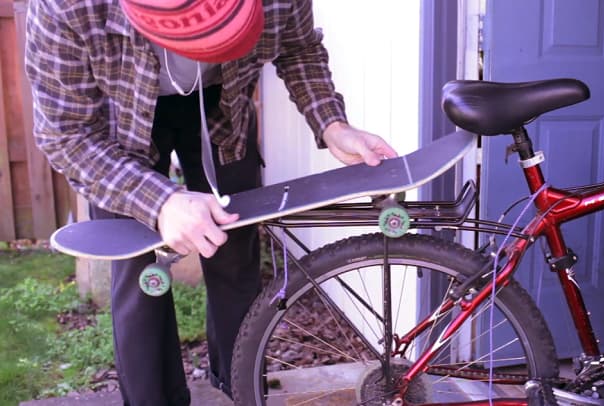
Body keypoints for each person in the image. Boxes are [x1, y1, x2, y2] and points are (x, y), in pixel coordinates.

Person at [25, 0, 398, 404]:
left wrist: (331, 124)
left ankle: (240, 387)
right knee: (138, 272)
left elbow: (298, 47)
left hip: (223, 107)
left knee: (234, 251)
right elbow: (65, 134)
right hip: (121, 122)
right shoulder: (67, 7)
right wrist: (161, 202)